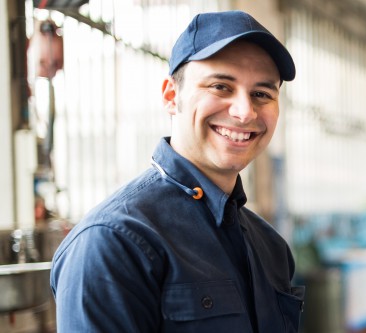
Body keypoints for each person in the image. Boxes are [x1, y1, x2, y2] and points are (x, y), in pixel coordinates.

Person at [50, 10, 303, 332]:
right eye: (221, 87)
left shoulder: (269, 245)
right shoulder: (113, 242)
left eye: (262, 94)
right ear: (172, 96)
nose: (244, 112)